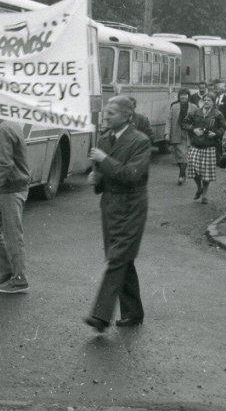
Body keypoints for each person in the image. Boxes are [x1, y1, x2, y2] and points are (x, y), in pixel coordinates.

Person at [84, 96, 150, 333]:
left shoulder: (140, 141)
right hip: (110, 205)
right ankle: (133, 312)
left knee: (118, 258)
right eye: (106, 113)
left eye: (111, 113)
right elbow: (104, 172)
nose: (106, 116)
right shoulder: (103, 139)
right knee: (123, 258)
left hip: (132, 205)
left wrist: (104, 160)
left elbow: (132, 174)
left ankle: (100, 315)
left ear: (126, 116)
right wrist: (97, 177)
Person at [0, 118, 31, 294]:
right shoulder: (7, 125)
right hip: (4, 187)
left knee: (12, 235)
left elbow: (4, 163)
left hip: (11, 188)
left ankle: (20, 279)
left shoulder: (4, 129)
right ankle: (7, 271)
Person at [182, 93, 226, 204]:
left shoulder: (218, 114)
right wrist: (193, 129)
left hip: (209, 146)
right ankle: (199, 188)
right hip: (196, 145)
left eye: (209, 100)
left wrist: (215, 134)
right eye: (205, 100)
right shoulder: (195, 112)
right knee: (193, 169)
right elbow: (184, 123)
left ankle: (204, 195)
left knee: (206, 172)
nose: (206, 102)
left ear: (213, 102)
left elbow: (224, 129)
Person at [166, 89, 197, 185]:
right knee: (178, 156)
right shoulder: (174, 107)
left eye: (185, 95)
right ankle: (182, 173)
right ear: (179, 97)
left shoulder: (194, 107)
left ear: (188, 96)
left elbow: (197, 120)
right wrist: (167, 133)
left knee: (184, 155)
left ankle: (181, 175)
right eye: (181, 95)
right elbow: (169, 120)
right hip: (176, 133)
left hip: (188, 134)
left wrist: (195, 129)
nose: (183, 97)